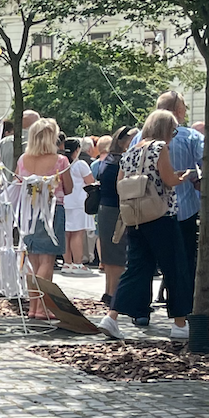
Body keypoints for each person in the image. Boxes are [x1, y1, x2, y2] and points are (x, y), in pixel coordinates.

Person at [101, 110, 193, 340]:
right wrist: (185, 176)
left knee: (136, 268)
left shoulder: (131, 150)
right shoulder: (159, 148)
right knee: (174, 268)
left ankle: (111, 317)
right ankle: (180, 323)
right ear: (165, 130)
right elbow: (168, 180)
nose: (173, 134)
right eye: (173, 130)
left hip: (136, 217)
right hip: (161, 215)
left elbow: (120, 182)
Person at [16, 118, 71, 319]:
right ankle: (42, 307)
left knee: (33, 261)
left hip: (27, 212)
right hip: (51, 210)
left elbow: (17, 184)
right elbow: (69, 187)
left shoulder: (23, 159)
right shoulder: (60, 161)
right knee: (47, 259)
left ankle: (32, 307)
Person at [159, 89, 204, 289]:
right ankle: (182, 305)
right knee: (185, 258)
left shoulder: (139, 138)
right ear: (178, 110)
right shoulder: (190, 136)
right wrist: (196, 179)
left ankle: (141, 311)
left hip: (149, 210)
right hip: (184, 208)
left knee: (150, 259)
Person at [93, 128, 131, 306]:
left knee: (109, 254)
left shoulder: (107, 159)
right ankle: (114, 294)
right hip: (116, 210)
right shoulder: (121, 162)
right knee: (117, 253)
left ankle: (109, 291)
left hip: (105, 208)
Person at [62, 138, 93, 270]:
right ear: (77, 150)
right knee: (77, 233)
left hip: (63, 200)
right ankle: (78, 263)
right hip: (78, 201)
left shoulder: (62, 164)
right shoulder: (80, 164)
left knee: (66, 233)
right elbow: (90, 181)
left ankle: (67, 262)